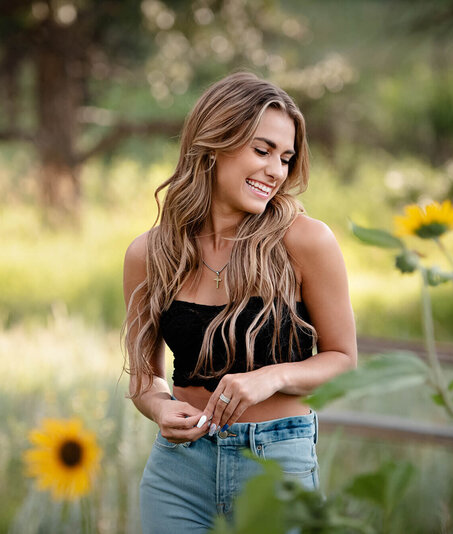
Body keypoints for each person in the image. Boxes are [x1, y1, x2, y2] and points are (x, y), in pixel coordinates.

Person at [122, 71, 357, 533]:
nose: (276, 170)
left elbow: (344, 359)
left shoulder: (306, 242)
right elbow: (143, 376)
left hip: (277, 466)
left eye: (286, 158)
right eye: (262, 150)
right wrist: (159, 407)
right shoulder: (150, 254)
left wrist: (271, 378)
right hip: (178, 472)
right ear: (213, 145)